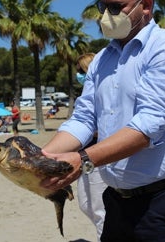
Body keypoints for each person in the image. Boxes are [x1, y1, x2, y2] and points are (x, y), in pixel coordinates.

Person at [41, 0, 165, 242]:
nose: (106, 16)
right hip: (117, 203)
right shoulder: (102, 59)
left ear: (145, 5)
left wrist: (82, 160)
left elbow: (147, 127)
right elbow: (84, 119)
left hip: (164, 204)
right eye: (102, 7)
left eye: (116, 7)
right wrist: (41, 158)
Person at [76, 53, 107, 241]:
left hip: (99, 155)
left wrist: (90, 130)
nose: (77, 74)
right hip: (83, 156)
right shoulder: (86, 93)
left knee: (100, 209)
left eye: (80, 70)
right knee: (85, 203)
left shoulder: (103, 91)